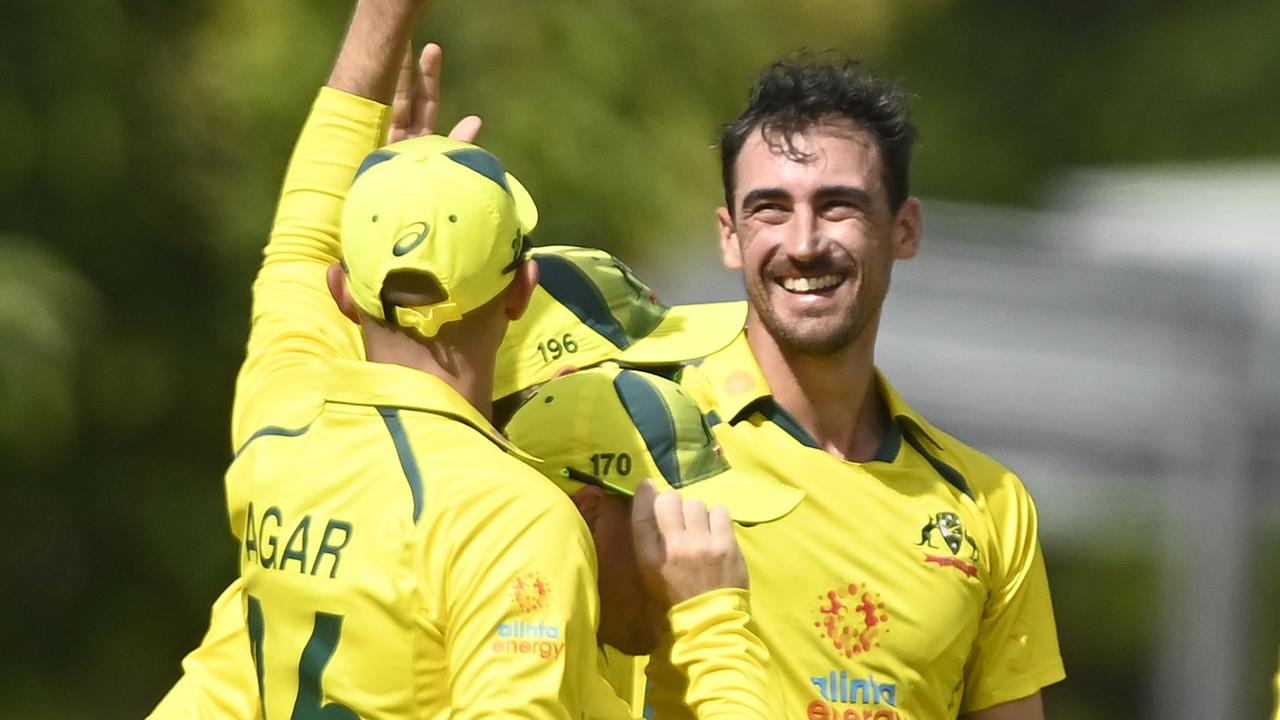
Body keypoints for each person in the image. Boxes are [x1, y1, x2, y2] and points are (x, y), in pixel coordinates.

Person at [148, 0, 784, 717]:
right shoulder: (513, 520)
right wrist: (712, 627)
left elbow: (298, 246)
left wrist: (380, 33)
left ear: (343, 292)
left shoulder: (280, 433)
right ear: (521, 291)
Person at [638, 55, 1067, 720]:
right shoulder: (639, 433)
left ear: (904, 229)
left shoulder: (990, 503)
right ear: (730, 236)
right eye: (770, 210)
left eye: (838, 206)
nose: (804, 243)